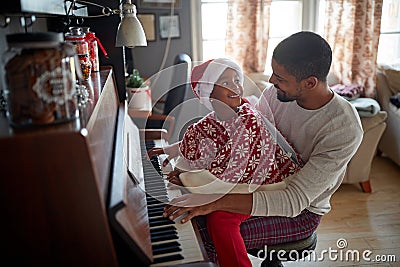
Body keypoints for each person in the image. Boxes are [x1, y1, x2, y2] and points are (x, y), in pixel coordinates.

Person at [162, 31, 364, 266]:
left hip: (300, 211)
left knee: (209, 230)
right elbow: (241, 141)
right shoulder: (276, 94)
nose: (270, 82)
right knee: (193, 206)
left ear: (309, 83)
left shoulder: (343, 127)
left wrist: (213, 200)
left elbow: (293, 200)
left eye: (280, 77)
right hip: (258, 184)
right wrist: (184, 157)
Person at [148, 58, 303, 266]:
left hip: (264, 183)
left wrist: (184, 177)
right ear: (208, 93)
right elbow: (195, 137)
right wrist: (171, 150)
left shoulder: (247, 119)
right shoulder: (212, 120)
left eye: (237, 80)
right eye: (225, 83)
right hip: (234, 181)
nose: (236, 87)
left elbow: (231, 170)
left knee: (221, 220)